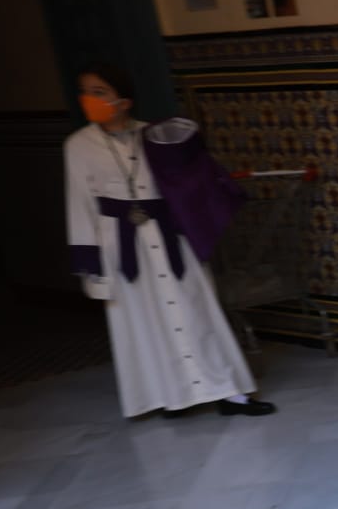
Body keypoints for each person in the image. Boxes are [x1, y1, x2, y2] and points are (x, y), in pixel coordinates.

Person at [65, 63, 274, 420]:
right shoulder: (78, 145)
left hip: (168, 235)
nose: (90, 99)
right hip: (121, 243)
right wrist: (93, 271)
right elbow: (79, 204)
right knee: (146, 320)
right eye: (86, 92)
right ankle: (172, 396)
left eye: (99, 92)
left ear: (123, 99)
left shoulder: (156, 136)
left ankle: (228, 392)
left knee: (196, 310)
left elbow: (190, 187)